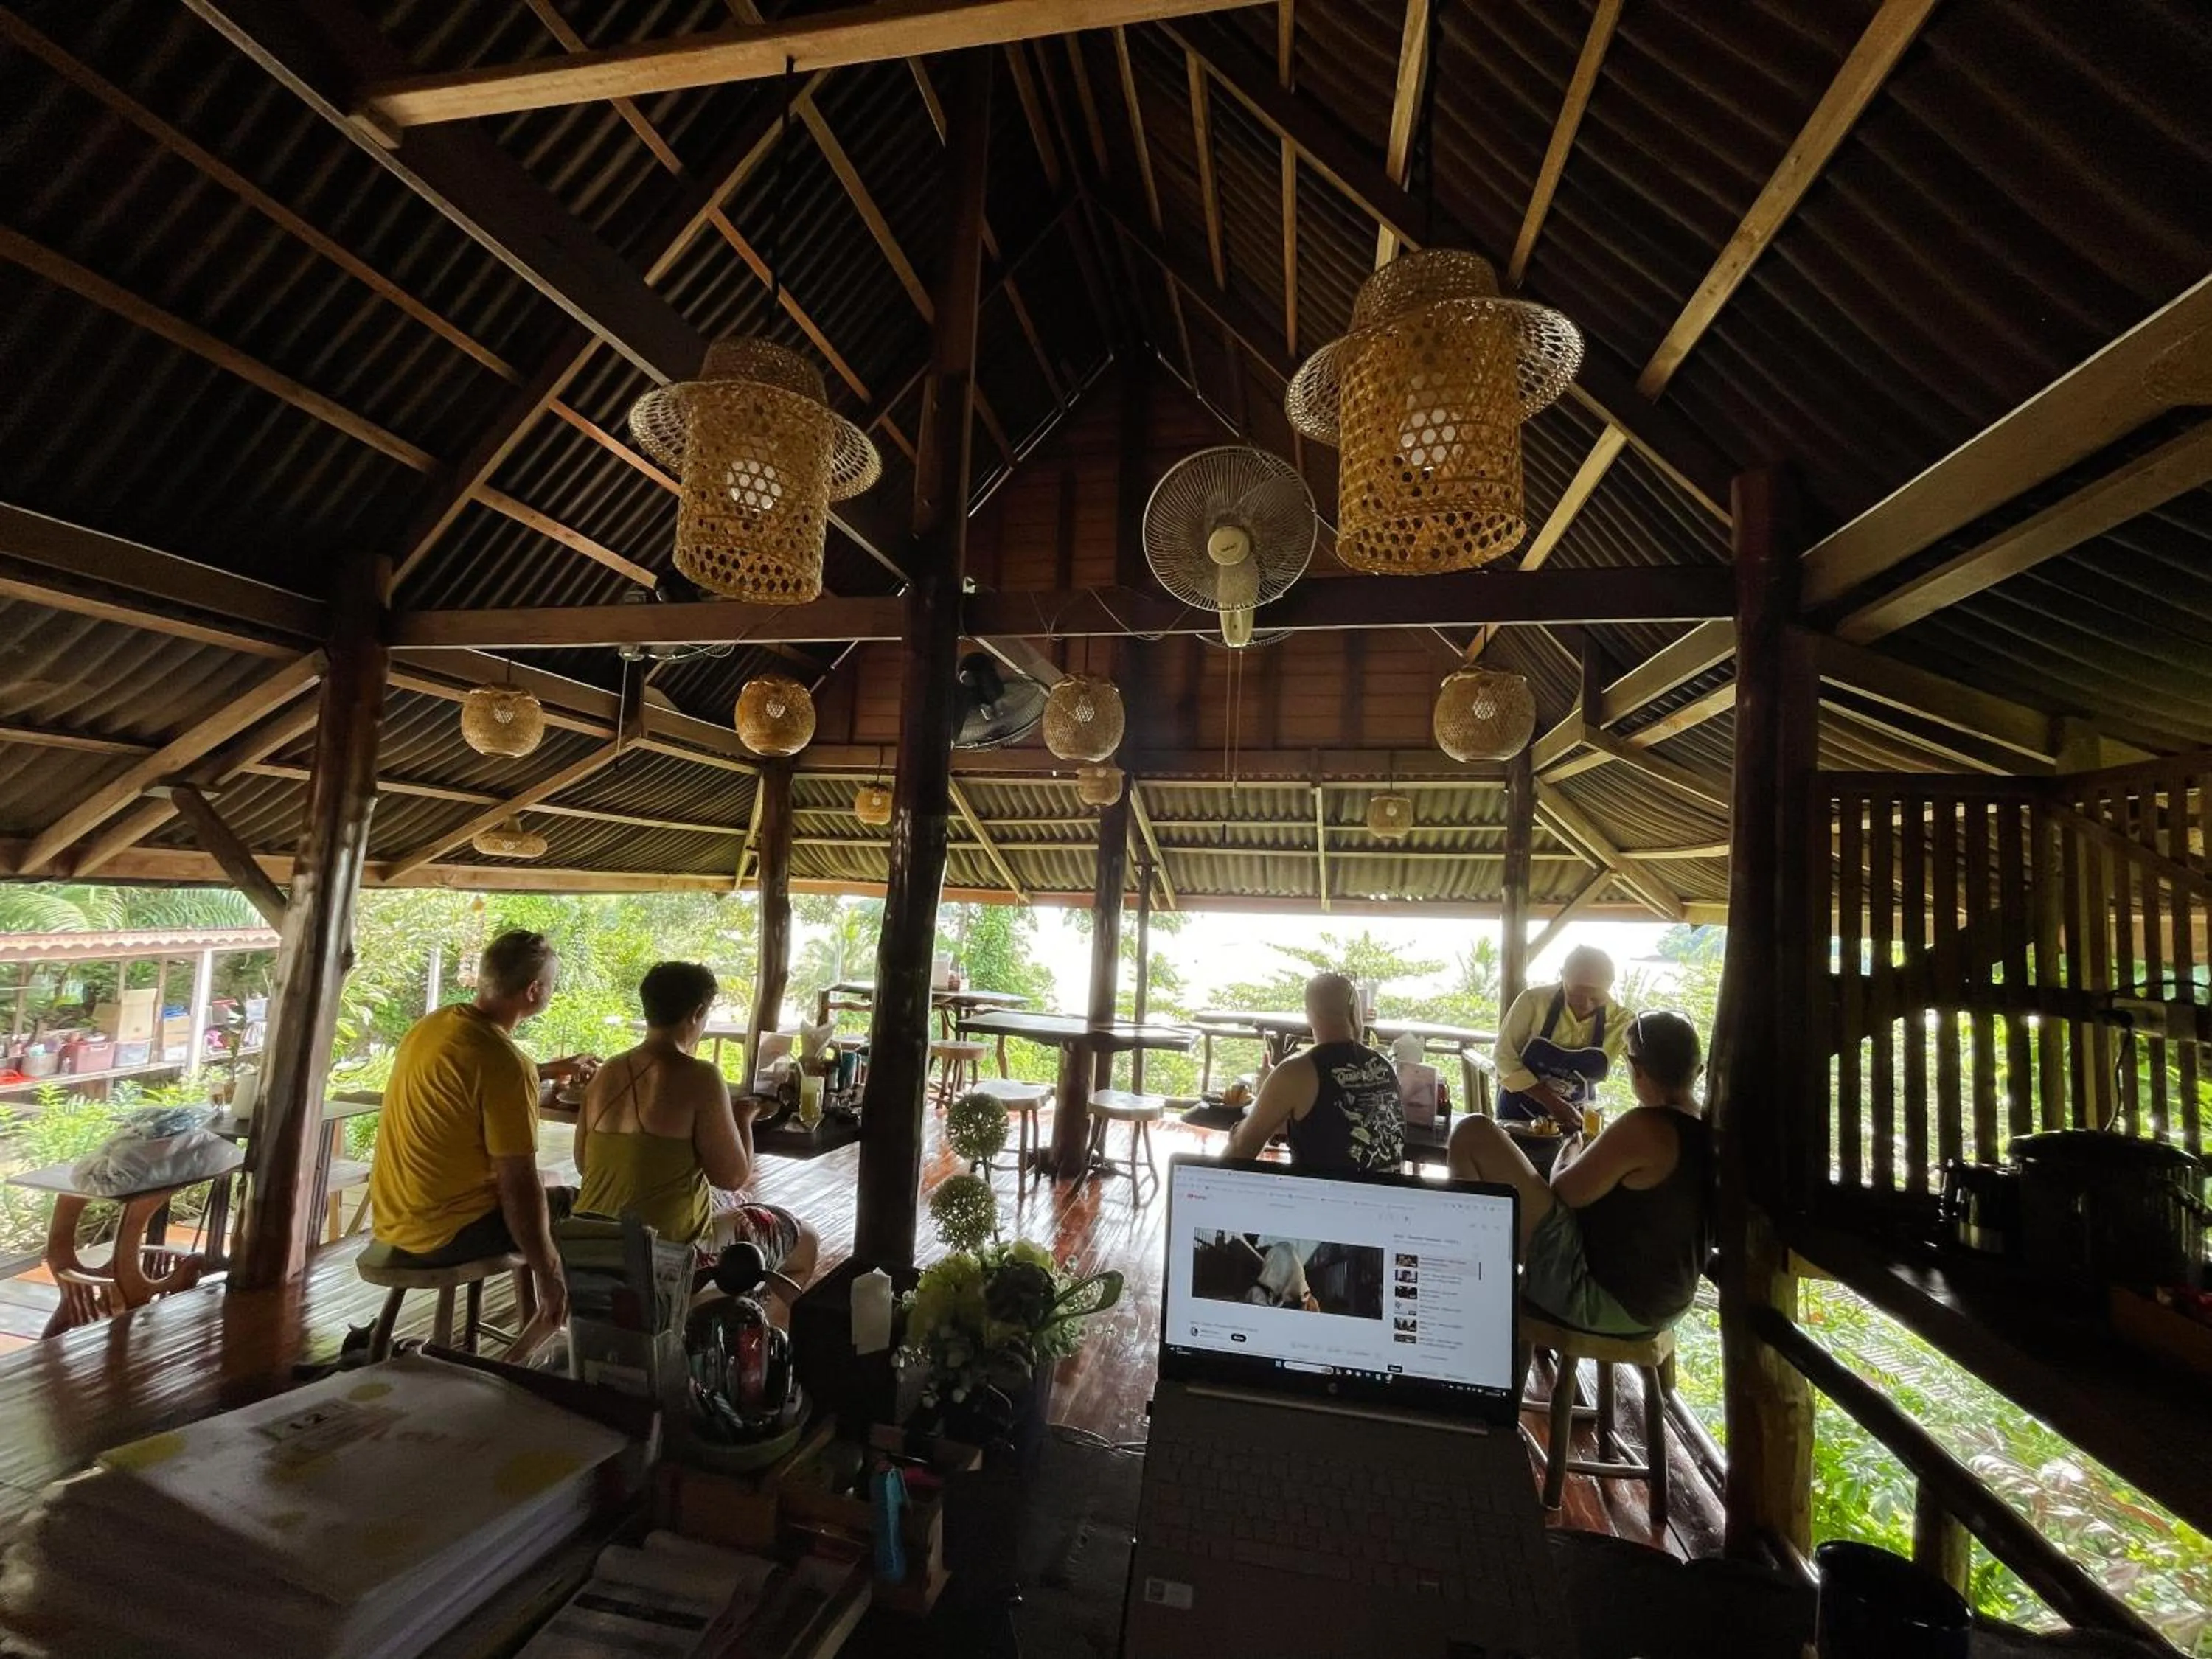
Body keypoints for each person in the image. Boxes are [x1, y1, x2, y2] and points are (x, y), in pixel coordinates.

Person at [363, 930, 599, 1357]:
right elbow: (518, 1185)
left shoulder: (434, 1026)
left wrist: (542, 1071)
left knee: (547, 1188)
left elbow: (471, 1078)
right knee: (586, 1207)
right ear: (534, 991)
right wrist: (548, 1272)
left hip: (396, 1218)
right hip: (447, 1234)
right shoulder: (506, 1063)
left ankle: (537, 1331)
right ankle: (553, 1333)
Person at [1447, 1009, 1711, 1336]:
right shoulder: (1706, 1127)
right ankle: (1484, 1267)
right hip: (1666, 1301)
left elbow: (1565, 1190)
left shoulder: (1647, 1125)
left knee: (1472, 1132)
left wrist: (1573, 1144)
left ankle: (1472, 1276)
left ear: (1636, 1069)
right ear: (1697, 1071)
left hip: (1603, 1301)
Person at [573, 961, 818, 1301]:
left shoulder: (606, 1072)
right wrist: (743, 1120)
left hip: (593, 1245)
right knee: (804, 1240)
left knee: (731, 1202)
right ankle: (745, 1335)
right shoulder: (700, 1076)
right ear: (698, 1012)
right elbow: (733, 1174)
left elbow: (584, 1164)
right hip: (668, 1254)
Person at [1226, 973, 1404, 1171]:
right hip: (1386, 1198)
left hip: (1323, 1198)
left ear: (1309, 1016)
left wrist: (1262, 1103)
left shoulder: (1296, 1072)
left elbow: (1240, 1150)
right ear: (1355, 1013)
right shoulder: (1385, 1067)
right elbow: (1338, 1127)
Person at [1492, 944, 1630, 1127]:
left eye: (1596, 996)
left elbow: (1648, 1072)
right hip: (1518, 1112)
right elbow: (1504, 1057)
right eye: (1576, 993)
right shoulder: (1533, 1001)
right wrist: (1551, 1102)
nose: (1586, 1004)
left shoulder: (1622, 1022)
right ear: (1562, 975)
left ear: (1610, 984)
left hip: (1576, 1118)